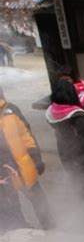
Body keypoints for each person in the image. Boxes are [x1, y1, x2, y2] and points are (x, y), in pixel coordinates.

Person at [0, 87, 52, 229]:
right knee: (10, 205)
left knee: (38, 199)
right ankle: (22, 233)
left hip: (23, 165)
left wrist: (37, 159)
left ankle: (50, 227)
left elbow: (27, 136)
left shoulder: (11, 110)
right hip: (3, 172)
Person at [46, 80, 84, 202]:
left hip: (67, 157)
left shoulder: (52, 112)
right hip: (83, 158)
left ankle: (83, 210)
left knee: (78, 184)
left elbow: (67, 111)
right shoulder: (77, 117)